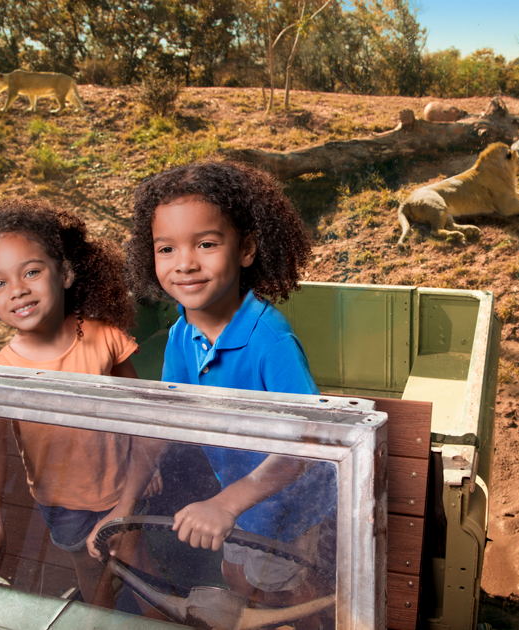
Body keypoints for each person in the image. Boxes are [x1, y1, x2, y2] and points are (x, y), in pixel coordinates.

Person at [125, 160, 336, 621]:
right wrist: (123, 500)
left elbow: (306, 444)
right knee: (239, 577)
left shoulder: (269, 340)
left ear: (246, 249)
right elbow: (165, 417)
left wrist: (225, 503)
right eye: (166, 248)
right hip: (239, 498)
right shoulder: (183, 334)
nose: (185, 263)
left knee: (282, 595)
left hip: (287, 506)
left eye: (205, 243)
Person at [0, 200, 156, 607]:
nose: (18, 290)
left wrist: (142, 474)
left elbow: (144, 419)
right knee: (91, 578)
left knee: (141, 573)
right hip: (61, 504)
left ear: (65, 272)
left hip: (123, 489)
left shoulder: (105, 338)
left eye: (31, 272)